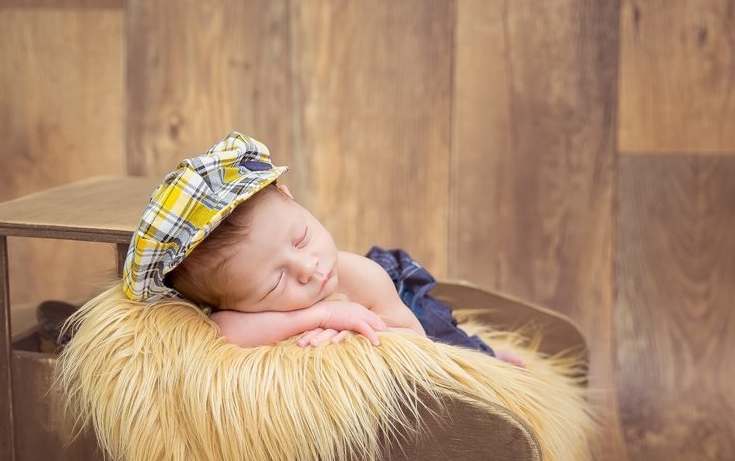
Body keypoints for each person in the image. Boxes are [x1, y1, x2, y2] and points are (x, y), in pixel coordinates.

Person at [122, 132, 526, 367]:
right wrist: (324, 313)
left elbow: (417, 342)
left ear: (291, 197)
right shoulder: (236, 311)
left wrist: (356, 315)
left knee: (456, 346)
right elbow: (224, 332)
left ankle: (491, 356)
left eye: (300, 238)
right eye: (274, 282)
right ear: (237, 303)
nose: (307, 268)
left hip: (400, 306)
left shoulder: (364, 277)